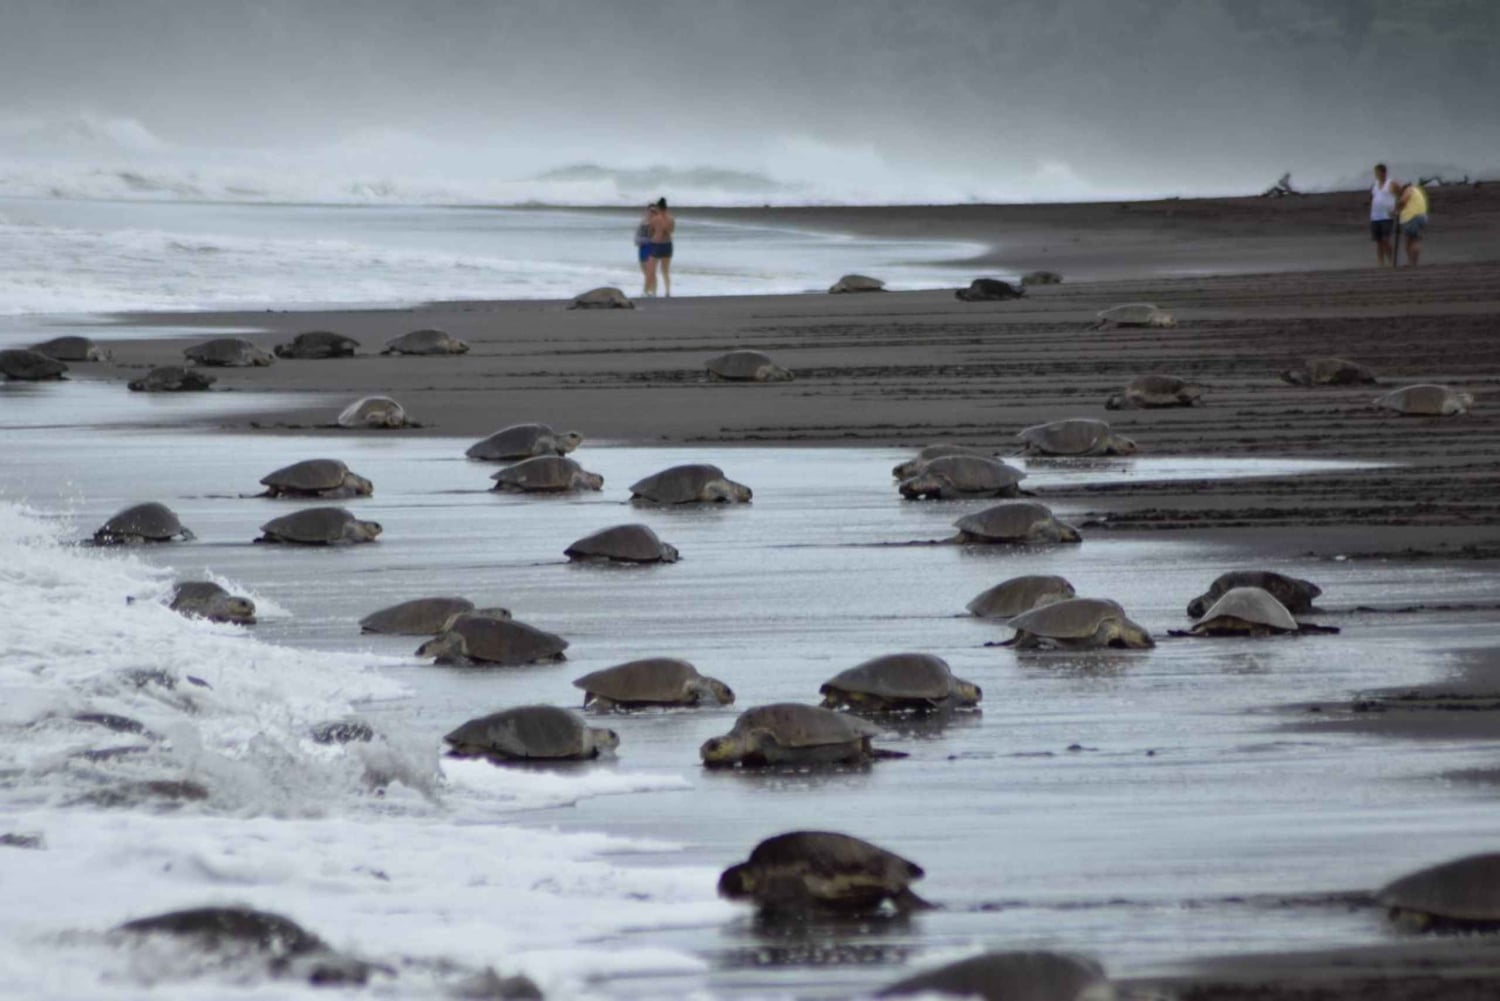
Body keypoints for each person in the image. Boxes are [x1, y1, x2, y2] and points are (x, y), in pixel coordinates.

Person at [1395, 180, 1429, 267]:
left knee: (1413, 240)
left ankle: (1413, 263)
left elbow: (1403, 201)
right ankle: (1412, 262)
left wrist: (1397, 208)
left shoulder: (1409, 189)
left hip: (1412, 217)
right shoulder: (1416, 190)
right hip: (1420, 216)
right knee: (1410, 240)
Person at [1369, 163, 1396, 266]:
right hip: (1375, 217)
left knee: (1386, 239)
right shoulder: (1375, 185)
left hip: (1387, 216)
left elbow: (1400, 194)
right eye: (1376, 173)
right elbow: (1373, 197)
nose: (1377, 174)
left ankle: (1391, 260)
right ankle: (1381, 262)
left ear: (1383, 172)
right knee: (1379, 241)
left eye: (1378, 172)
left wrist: (1395, 209)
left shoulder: (1391, 183)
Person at [649, 197, 675, 297]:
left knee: (652, 270)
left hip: (657, 244)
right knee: (665, 270)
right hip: (668, 244)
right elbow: (671, 231)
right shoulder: (671, 219)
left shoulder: (655, 219)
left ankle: (654, 292)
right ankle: (667, 291)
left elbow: (651, 232)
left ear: (658, 208)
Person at [635, 204, 658, 296]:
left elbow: (656, 237)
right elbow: (637, 234)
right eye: (650, 210)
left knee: (650, 271)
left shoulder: (656, 222)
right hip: (642, 247)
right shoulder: (642, 221)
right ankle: (651, 289)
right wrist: (637, 241)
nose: (651, 213)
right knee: (645, 271)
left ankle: (649, 291)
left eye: (653, 211)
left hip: (651, 247)